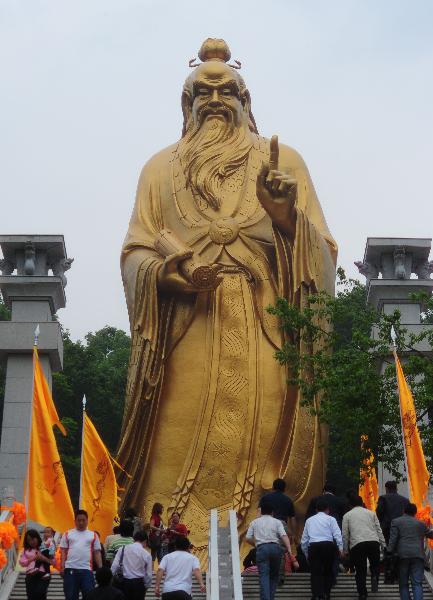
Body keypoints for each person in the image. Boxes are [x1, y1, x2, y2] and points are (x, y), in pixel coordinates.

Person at [116, 37, 337, 556]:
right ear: (186, 106)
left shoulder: (284, 162)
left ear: (246, 101)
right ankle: (166, 539)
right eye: (201, 92)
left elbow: (323, 253)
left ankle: (271, 533)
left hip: (267, 327)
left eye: (228, 90)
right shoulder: (159, 169)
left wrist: (285, 216)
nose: (215, 99)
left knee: (265, 442)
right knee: (171, 452)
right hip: (187, 325)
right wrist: (170, 273)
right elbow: (134, 251)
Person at [246, 500, 294, 600]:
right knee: (274, 576)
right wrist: (289, 549)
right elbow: (284, 536)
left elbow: (248, 537)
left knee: (264, 575)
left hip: (262, 548)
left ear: (261, 511)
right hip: (276, 548)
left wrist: (256, 544)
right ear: (272, 512)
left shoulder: (254, 522)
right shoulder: (277, 522)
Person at [342, 494, 385, 600]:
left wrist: (346, 550)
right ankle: (374, 574)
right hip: (373, 542)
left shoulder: (347, 515)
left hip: (357, 544)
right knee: (375, 565)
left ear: (350, 504)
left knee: (360, 570)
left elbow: (345, 534)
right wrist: (383, 544)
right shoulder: (371, 513)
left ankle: (363, 593)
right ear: (362, 503)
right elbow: (378, 530)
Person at [388, 502, 433, 600]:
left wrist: (389, 552)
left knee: (403, 584)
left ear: (403, 511)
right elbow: (430, 534)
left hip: (402, 556)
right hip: (418, 556)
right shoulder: (421, 524)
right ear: (415, 512)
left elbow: (393, 540)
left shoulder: (396, 522)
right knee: (417, 584)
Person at [301, 498, 343, 600]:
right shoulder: (331, 519)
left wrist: (306, 553)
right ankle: (326, 593)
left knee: (315, 572)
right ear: (327, 509)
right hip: (328, 546)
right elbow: (337, 534)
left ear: (316, 509)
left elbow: (304, 540)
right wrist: (340, 548)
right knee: (328, 571)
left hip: (314, 546)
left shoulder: (309, 520)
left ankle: (316, 594)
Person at [60, 509, 103, 600]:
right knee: (70, 597)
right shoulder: (67, 534)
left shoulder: (93, 535)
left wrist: (100, 568)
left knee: (89, 596)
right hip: (70, 569)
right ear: (75, 521)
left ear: (87, 520)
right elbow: (63, 551)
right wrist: (62, 566)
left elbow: (97, 552)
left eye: (83, 520)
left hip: (86, 570)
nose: (81, 522)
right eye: (79, 520)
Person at [376, 480, 409, 584]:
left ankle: (389, 576)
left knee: (388, 551)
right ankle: (399, 575)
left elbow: (379, 512)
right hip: (402, 528)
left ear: (386, 488)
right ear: (396, 488)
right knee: (400, 551)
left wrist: (381, 522)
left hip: (387, 528)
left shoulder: (383, 498)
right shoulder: (405, 500)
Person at [155, 536, 205, 600]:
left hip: (167, 591)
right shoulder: (193, 558)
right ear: (188, 546)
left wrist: (157, 586)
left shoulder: (167, 557)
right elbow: (196, 570)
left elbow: (160, 570)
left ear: (175, 546)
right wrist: (201, 584)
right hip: (184, 591)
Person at [111, 530, 152, 600]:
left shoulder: (122, 549)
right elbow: (148, 575)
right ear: (145, 541)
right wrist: (146, 586)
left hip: (123, 583)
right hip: (139, 584)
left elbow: (114, 567)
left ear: (134, 539)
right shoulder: (146, 554)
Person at [19, 529, 53, 600]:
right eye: (29, 540)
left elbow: (53, 561)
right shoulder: (26, 550)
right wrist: (34, 558)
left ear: (37, 537)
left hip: (43, 575)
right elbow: (22, 563)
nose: (31, 542)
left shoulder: (44, 547)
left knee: (40, 594)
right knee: (31, 596)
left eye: (33, 538)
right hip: (31, 574)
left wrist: (43, 558)